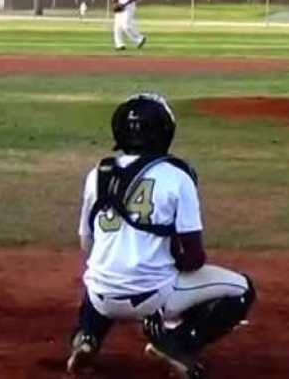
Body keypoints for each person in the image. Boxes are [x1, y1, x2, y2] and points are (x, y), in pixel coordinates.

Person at [67, 93, 256, 379]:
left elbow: (87, 243)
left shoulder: (98, 173)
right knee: (243, 289)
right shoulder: (177, 176)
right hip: (154, 296)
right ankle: (179, 343)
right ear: (165, 131)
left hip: (101, 295)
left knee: (101, 268)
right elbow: (193, 258)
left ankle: (87, 336)